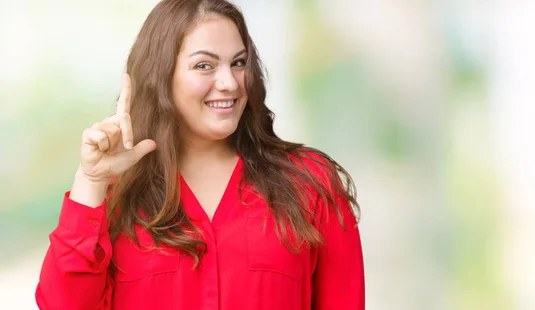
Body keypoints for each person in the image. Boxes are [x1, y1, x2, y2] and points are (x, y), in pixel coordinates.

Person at [35, 0, 364, 309]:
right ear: (161, 77)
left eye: (238, 63)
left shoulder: (311, 183)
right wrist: (91, 181)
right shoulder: (111, 197)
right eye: (204, 65)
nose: (229, 83)